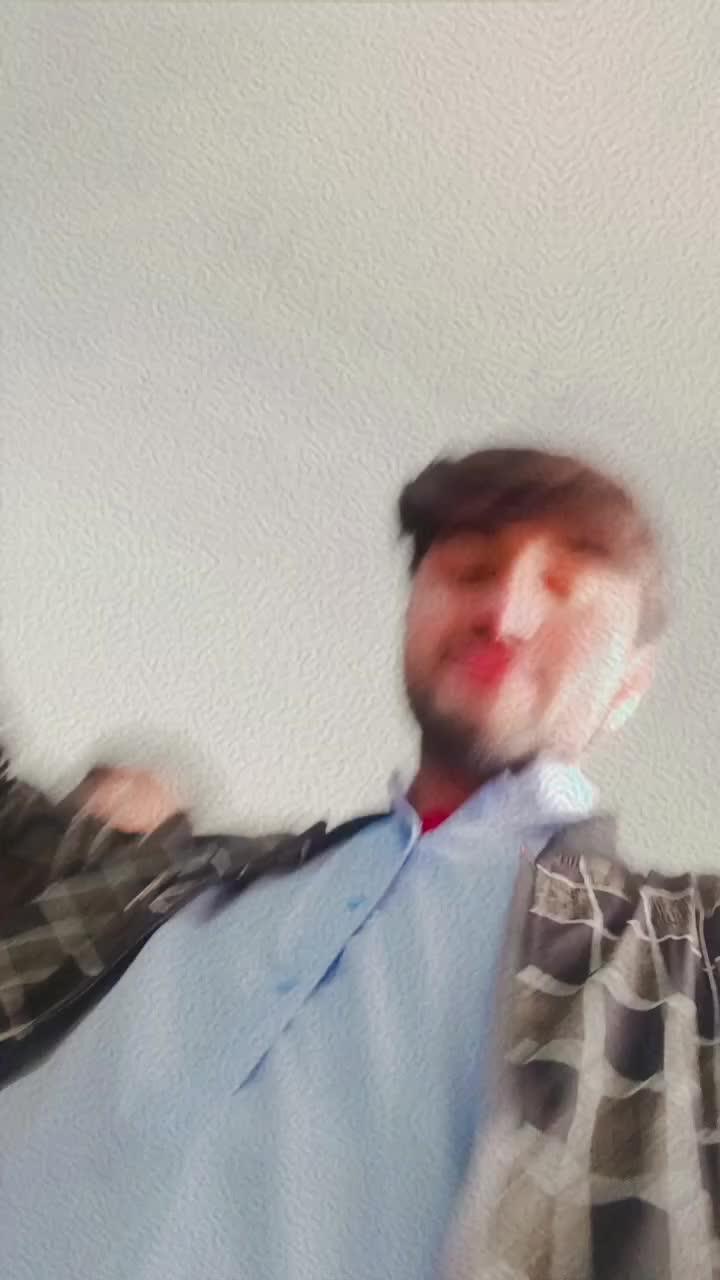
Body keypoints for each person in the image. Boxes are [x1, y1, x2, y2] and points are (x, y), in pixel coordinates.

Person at [0, 446, 667, 1280]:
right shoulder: (185, 881)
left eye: (566, 588)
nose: (504, 612)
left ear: (629, 684)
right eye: (469, 570)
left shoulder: (682, 975)